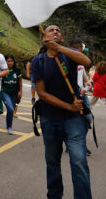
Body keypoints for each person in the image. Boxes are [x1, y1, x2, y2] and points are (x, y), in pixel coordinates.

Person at [31, 24, 93, 199]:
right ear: (44, 37)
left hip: (73, 119)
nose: (55, 32)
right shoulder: (38, 61)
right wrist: (68, 106)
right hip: (50, 119)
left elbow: (87, 62)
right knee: (52, 161)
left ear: (62, 38)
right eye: (51, 30)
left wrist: (59, 48)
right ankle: (54, 195)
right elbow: (42, 93)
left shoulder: (68, 56)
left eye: (58, 30)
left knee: (79, 160)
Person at [1, 54, 22, 135]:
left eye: (11, 61)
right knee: (10, 108)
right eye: (8, 61)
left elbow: (20, 81)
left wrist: (20, 92)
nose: (10, 63)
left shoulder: (17, 70)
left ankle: (9, 126)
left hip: (14, 92)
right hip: (4, 92)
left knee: (11, 110)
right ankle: (8, 127)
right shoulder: (2, 70)